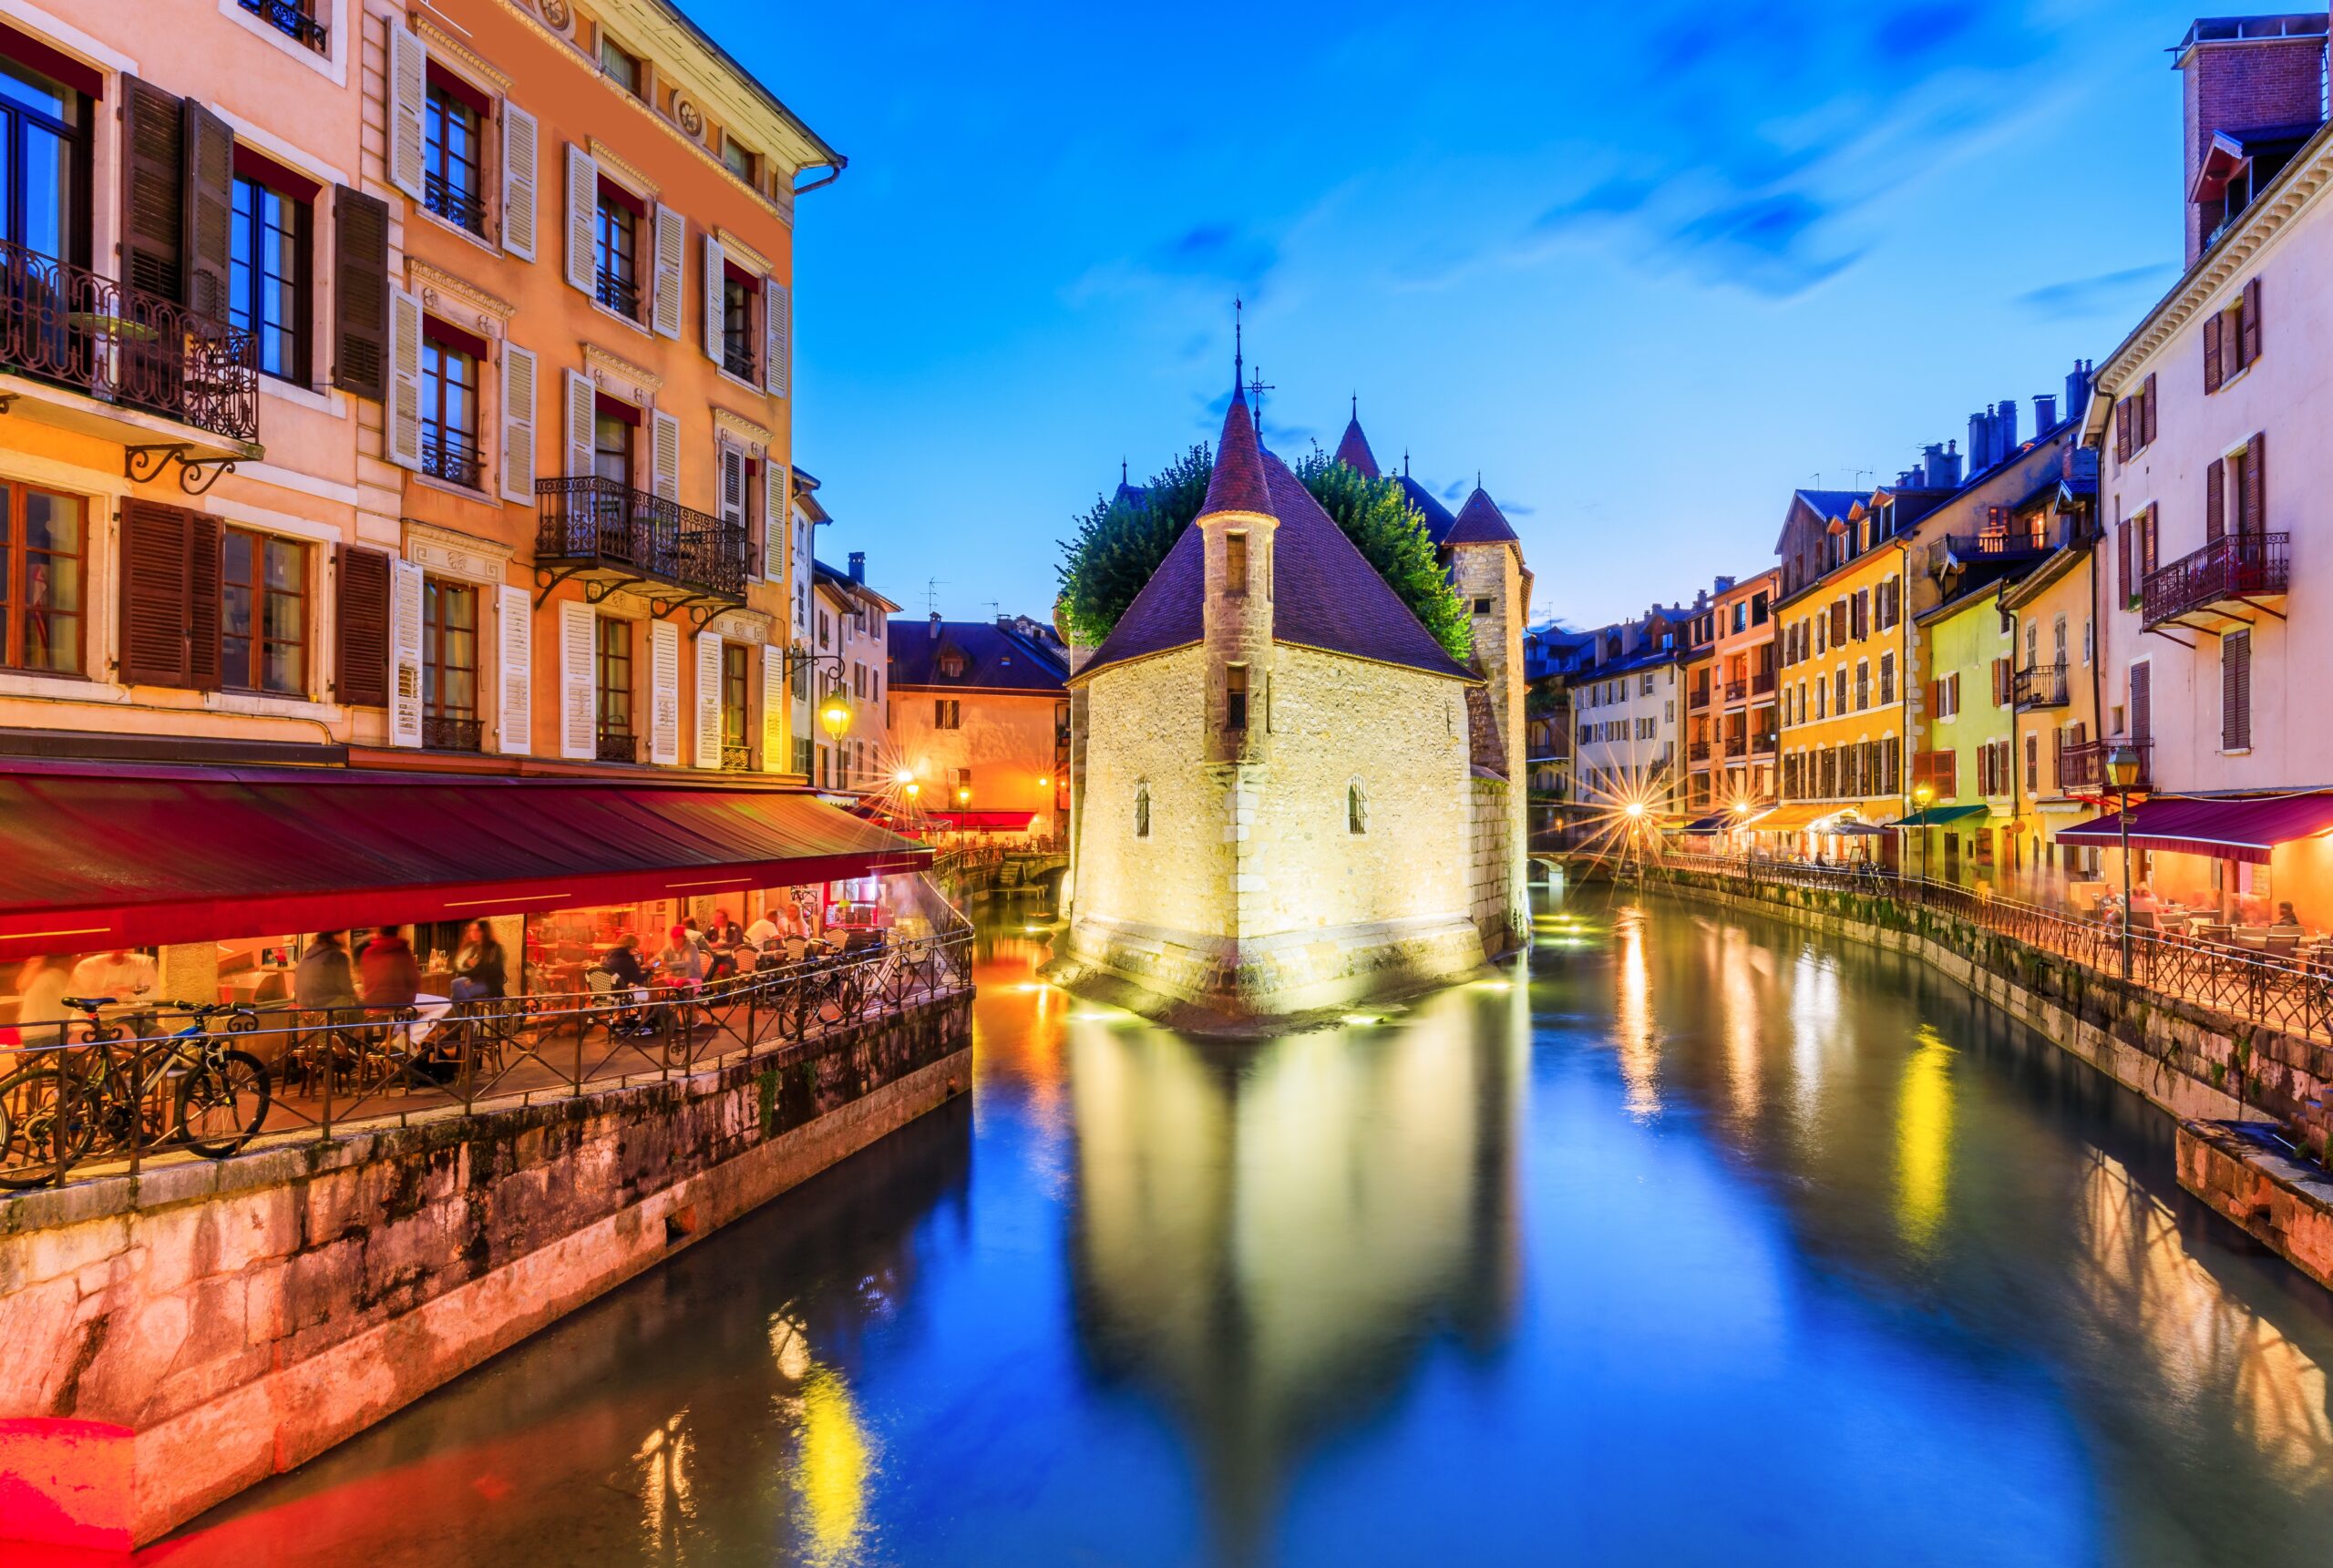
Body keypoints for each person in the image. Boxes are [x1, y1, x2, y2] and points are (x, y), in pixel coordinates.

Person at [294, 931, 360, 1012]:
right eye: (343, 934)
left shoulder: (307, 953)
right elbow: (345, 986)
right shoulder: (337, 956)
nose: (345, 937)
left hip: (303, 1002)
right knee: (354, 1005)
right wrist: (357, 1001)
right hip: (322, 1004)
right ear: (335, 937)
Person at [359, 925, 420, 1010]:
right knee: (441, 1003)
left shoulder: (367, 952)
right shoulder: (403, 951)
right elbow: (415, 981)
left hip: (373, 1001)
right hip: (400, 1002)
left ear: (378, 931)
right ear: (398, 930)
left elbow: (364, 980)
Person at [450, 920, 507, 1002]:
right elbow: (457, 968)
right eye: (472, 931)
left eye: (478, 930)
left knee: (455, 996)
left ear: (485, 932)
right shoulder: (473, 948)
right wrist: (467, 964)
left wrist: (472, 978)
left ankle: (468, 1013)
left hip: (490, 984)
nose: (473, 933)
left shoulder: (494, 948)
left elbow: (492, 970)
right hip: (476, 981)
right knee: (455, 983)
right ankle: (468, 1014)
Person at [657, 924, 705, 989]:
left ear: (682, 937)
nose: (674, 941)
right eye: (673, 938)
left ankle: (678, 997)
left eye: (676, 938)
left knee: (681, 984)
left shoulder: (691, 946)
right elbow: (658, 958)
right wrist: (654, 964)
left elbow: (687, 963)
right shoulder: (669, 947)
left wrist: (668, 964)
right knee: (655, 985)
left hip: (692, 978)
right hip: (674, 978)